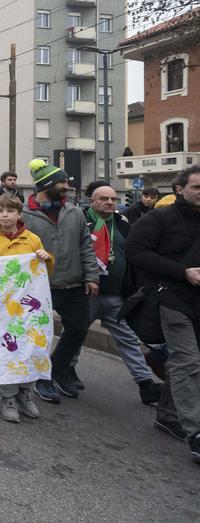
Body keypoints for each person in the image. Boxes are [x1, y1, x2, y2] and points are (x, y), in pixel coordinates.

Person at [126, 165, 200, 464]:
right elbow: (135, 250)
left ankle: (169, 415)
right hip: (172, 299)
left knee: (189, 361)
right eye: (197, 187)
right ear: (179, 189)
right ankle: (196, 431)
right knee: (188, 360)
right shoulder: (161, 217)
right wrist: (182, 272)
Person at [67, 184, 163, 404]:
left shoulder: (122, 224)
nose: (110, 202)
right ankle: (66, 370)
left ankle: (145, 383)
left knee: (128, 338)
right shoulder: (80, 222)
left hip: (115, 294)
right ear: (92, 201)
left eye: (113, 199)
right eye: (103, 199)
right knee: (75, 334)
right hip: (85, 293)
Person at [0, 193, 54, 423]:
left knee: (32, 347)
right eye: (0, 211)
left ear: (19, 214)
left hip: (27, 307)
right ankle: (8, 397)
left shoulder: (32, 240)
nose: (5, 215)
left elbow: (44, 273)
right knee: (5, 350)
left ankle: (25, 393)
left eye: (10, 211)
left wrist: (46, 259)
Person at [22, 159, 99, 404]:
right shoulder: (25, 215)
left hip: (74, 284)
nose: (67, 185)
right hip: (40, 287)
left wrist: (91, 276)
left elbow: (85, 245)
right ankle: (42, 379)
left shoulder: (74, 212)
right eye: (62, 181)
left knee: (77, 330)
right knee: (39, 336)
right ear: (47, 184)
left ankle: (57, 370)